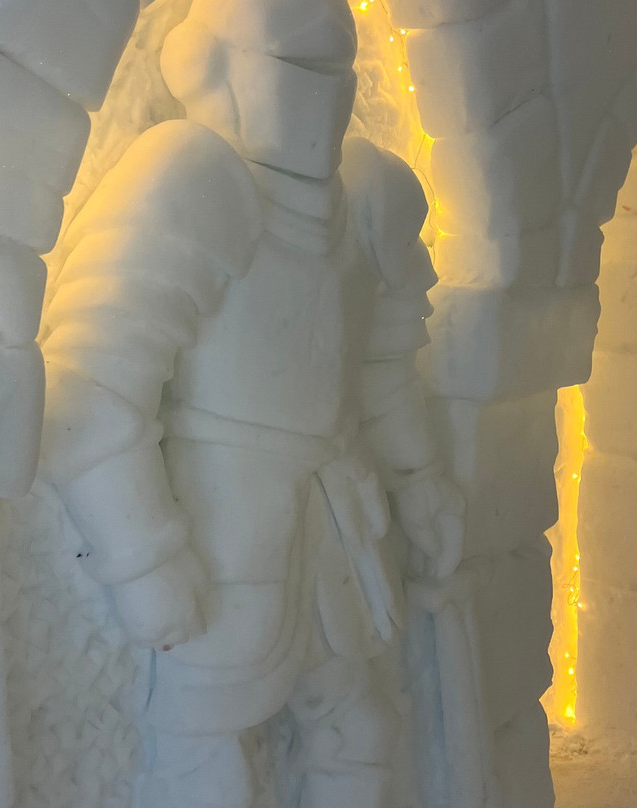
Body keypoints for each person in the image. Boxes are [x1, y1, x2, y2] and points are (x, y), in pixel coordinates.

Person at [41, 1, 463, 805]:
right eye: (294, 67)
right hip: (220, 532)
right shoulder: (190, 180)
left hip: (337, 527)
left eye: (333, 71)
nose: (318, 94)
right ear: (208, 66)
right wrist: (144, 560)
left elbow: (379, 369)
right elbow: (90, 394)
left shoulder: (370, 196)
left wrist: (420, 485)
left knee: (359, 736)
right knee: (207, 763)